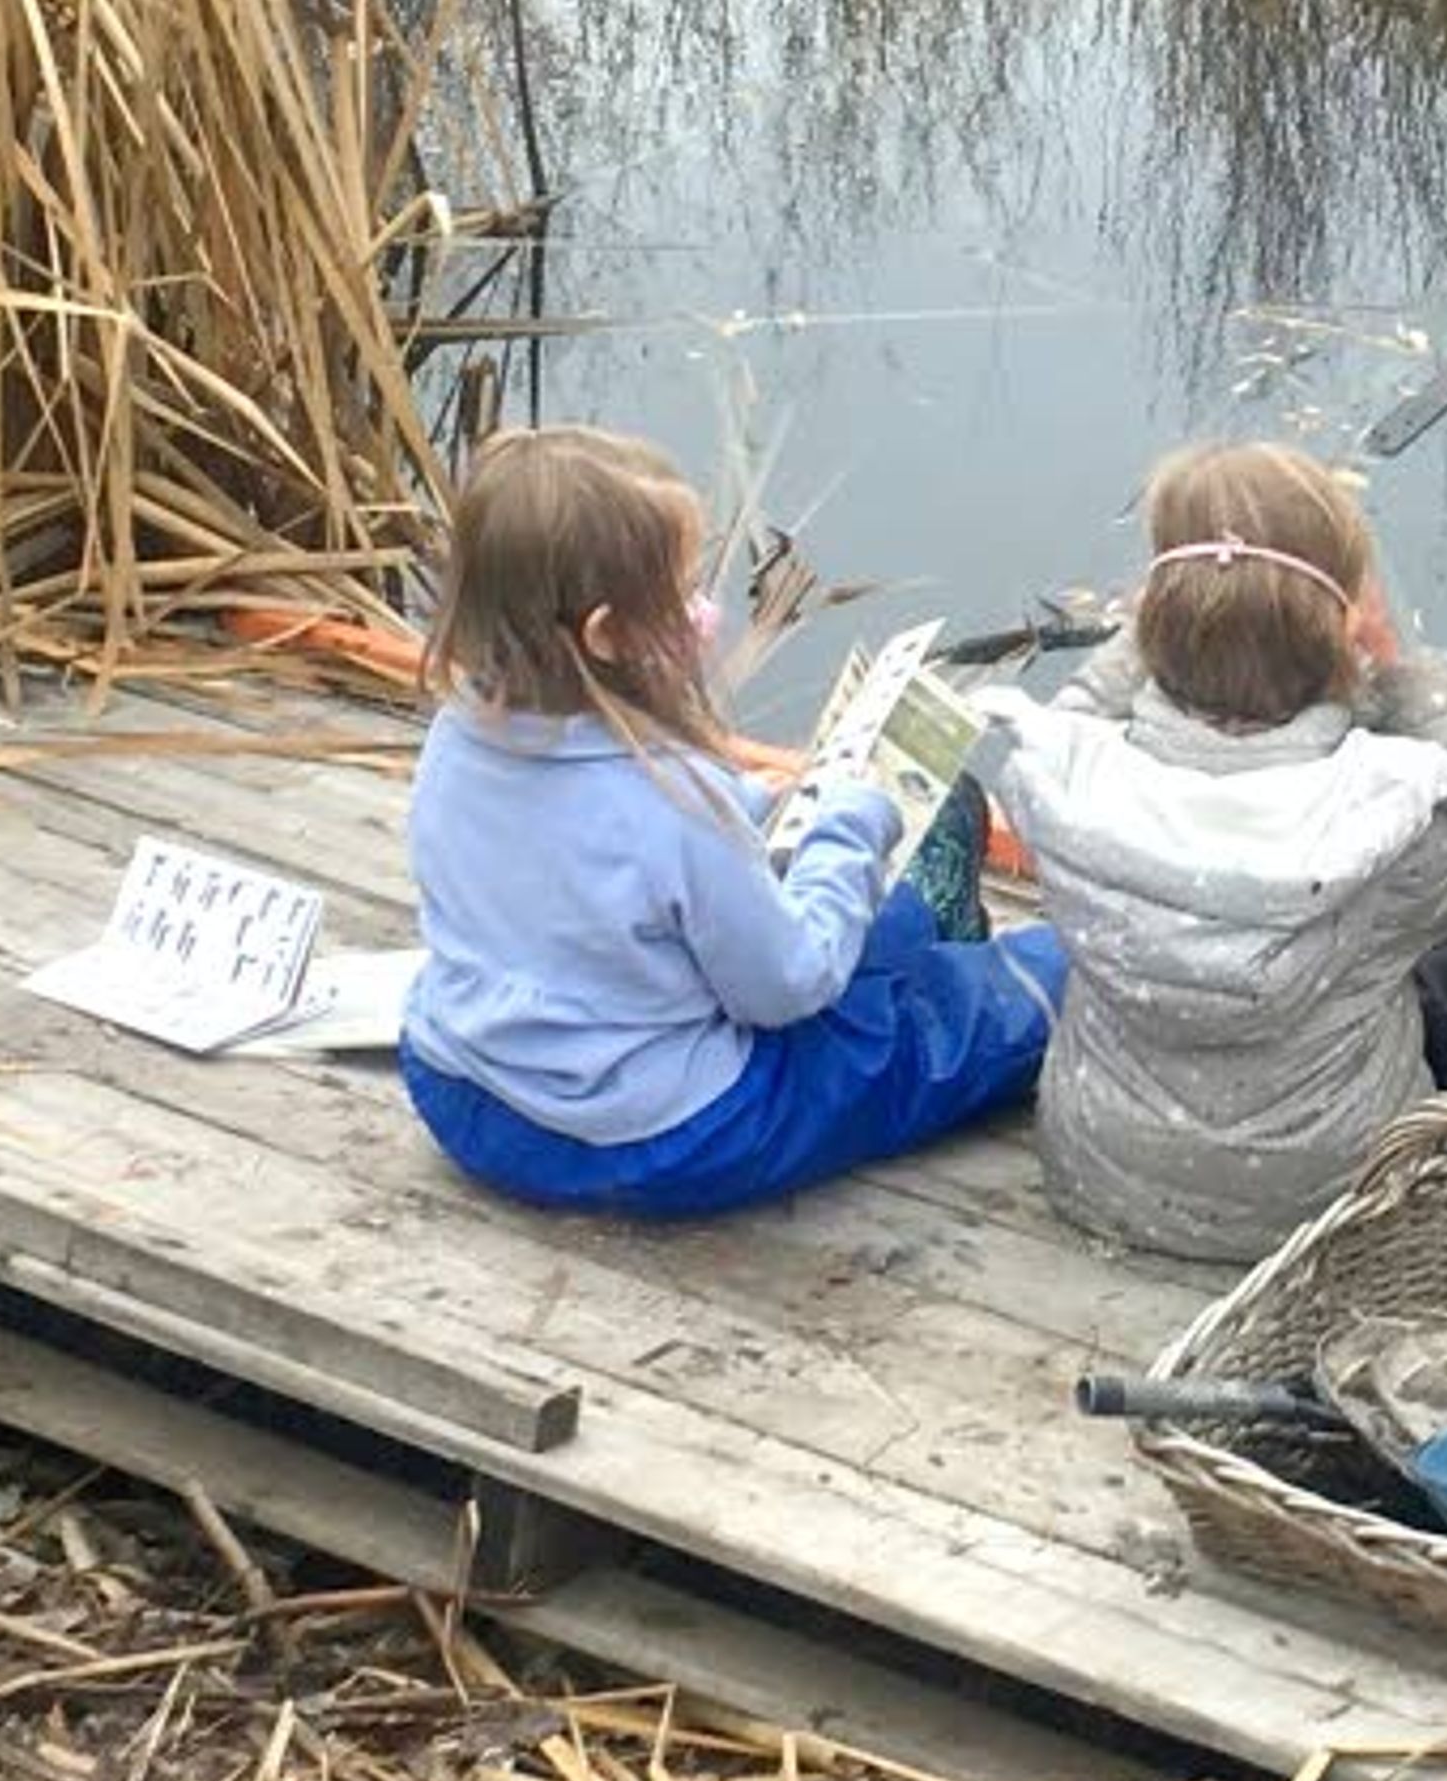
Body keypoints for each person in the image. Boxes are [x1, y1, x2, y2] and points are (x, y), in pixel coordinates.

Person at [971, 441, 1447, 1266]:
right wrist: (1403, 671)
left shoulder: (1059, 787)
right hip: (1327, 1201)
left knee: (1419, 949)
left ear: (1153, 615)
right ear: (1344, 629)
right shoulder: (1391, 815)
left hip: (1100, 1176)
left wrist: (1135, 644)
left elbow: (1079, 712)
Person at [398, 425, 1061, 1218]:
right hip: (665, 1140)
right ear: (606, 633)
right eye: (681, 592)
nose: (702, 611)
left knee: (882, 920)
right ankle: (966, 948)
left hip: (466, 1096)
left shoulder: (457, 735)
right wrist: (845, 827)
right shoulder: (676, 805)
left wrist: (759, 811)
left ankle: (927, 925)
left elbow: (585, 856)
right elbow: (788, 987)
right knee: (1029, 981)